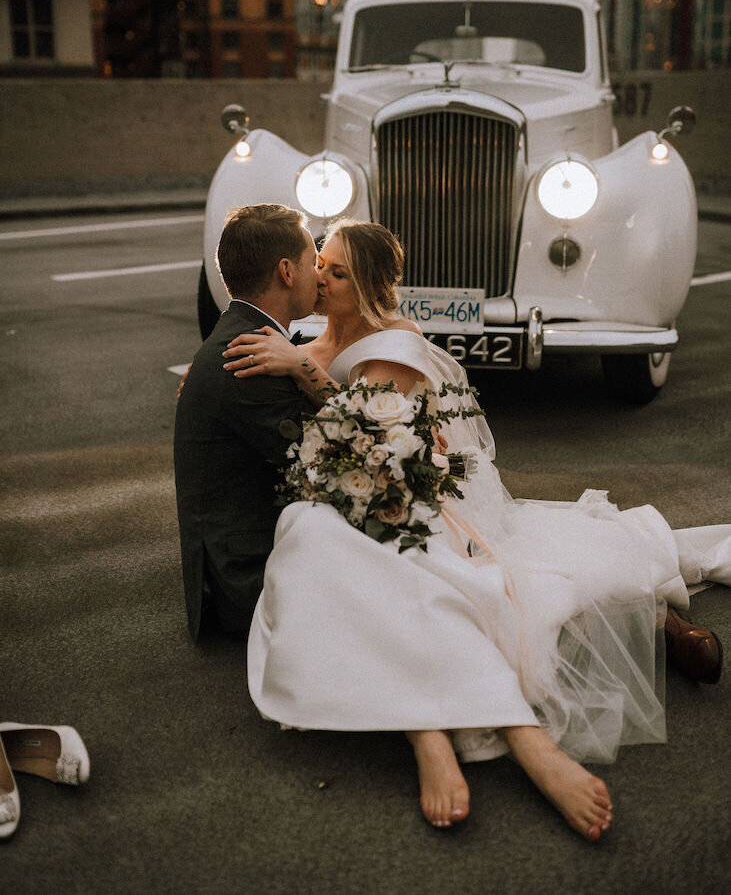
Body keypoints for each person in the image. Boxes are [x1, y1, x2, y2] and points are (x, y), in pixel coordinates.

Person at [222, 218, 728, 839]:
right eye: (320, 263)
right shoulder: (299, 337)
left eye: (339, 272)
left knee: (427, 572)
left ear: (376, 289)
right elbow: (257, 400)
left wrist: (301, 370)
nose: (321, 277)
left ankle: (496, 732)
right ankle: (436, 733)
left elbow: (375, 439)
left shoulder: (397, 344)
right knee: (338, 558)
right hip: (345, 504)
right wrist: (214, 377)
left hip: (417, 497)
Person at [174, 204, 319, 640]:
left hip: (248, 543)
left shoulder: (245, 333)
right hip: (244, 576)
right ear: (287, 272)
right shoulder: (247, 355)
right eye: (314, 262)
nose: (320, 275)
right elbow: (323, 459)